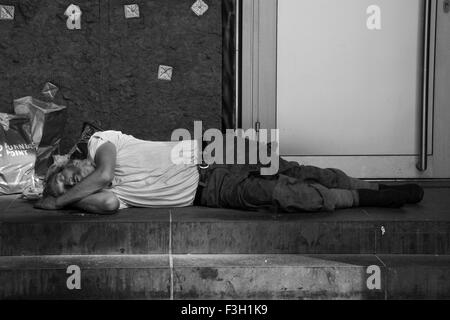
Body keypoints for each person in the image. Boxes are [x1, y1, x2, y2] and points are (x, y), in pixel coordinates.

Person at [35, 130, 424, 214]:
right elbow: (102, 199)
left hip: (211, 150)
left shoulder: (101, 142)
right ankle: (378, 198)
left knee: (299, 170)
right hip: (211, 188)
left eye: (68, 175)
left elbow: (100, 176)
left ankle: (379, 186)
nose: (73, 181)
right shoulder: (107, 196)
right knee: (287, 194)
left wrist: (58, 201)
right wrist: (71, 200)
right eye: (68, 186)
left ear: (71, 163)